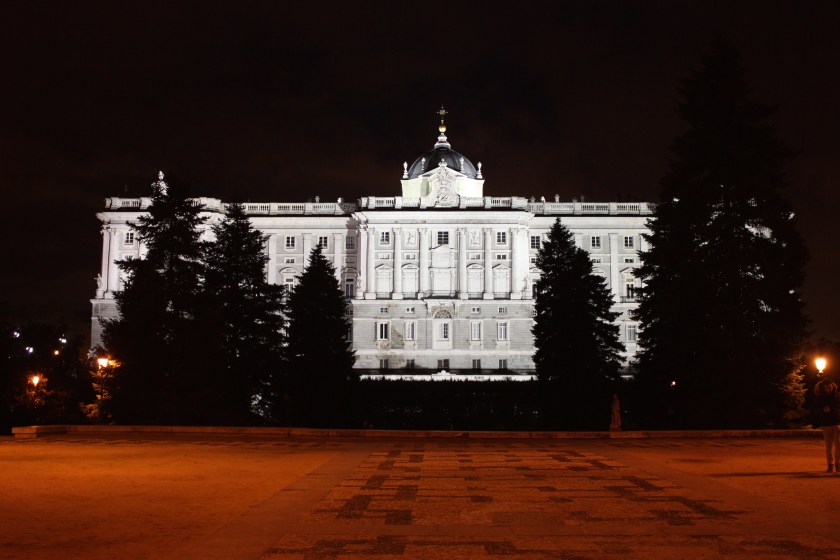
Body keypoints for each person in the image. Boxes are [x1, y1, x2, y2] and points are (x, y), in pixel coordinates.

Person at [814, 379, 840, 472]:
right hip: (826, 424)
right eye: (826, 388)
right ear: (823, 388)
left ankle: (838, 464)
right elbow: (816, 410)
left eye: (829, 387)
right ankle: (830, 464)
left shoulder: (838, 395)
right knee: (828, 446)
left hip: (837, 422)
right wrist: (823, 410)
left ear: (832, 386)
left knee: (838, 445)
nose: (828, 389)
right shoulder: (820, 397)